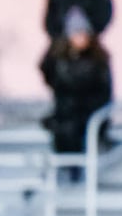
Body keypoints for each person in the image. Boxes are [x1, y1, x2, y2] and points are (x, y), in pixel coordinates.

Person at [40, 9, 113, 171]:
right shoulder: (58, 59)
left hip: (87, 114)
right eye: (75, 33)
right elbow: (48, 73)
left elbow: (104, 91)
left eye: (82, 33)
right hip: (66, 116)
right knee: (65, 137)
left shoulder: (98, 60)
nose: (79, 38)